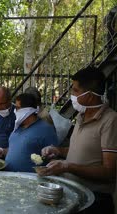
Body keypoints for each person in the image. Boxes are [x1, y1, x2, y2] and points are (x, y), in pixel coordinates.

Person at [39, 67, 117, 214]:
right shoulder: (81, 117)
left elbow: (109, 172)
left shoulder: (110, 120)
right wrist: (58, 151)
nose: (71, 95)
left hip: (96, 200)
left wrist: (68, 167)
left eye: (75, 91)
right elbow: (82, 150)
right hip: (74, 193)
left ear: (89, 95)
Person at [0, 93, 58, 172]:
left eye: (17, 108)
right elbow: (15, 149)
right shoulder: (17, 128)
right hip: (9, 177)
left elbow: (54, 158)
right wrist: (2, 151)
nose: (15, 111)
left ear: (27, 110)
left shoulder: (46, 129)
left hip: (30, 180)